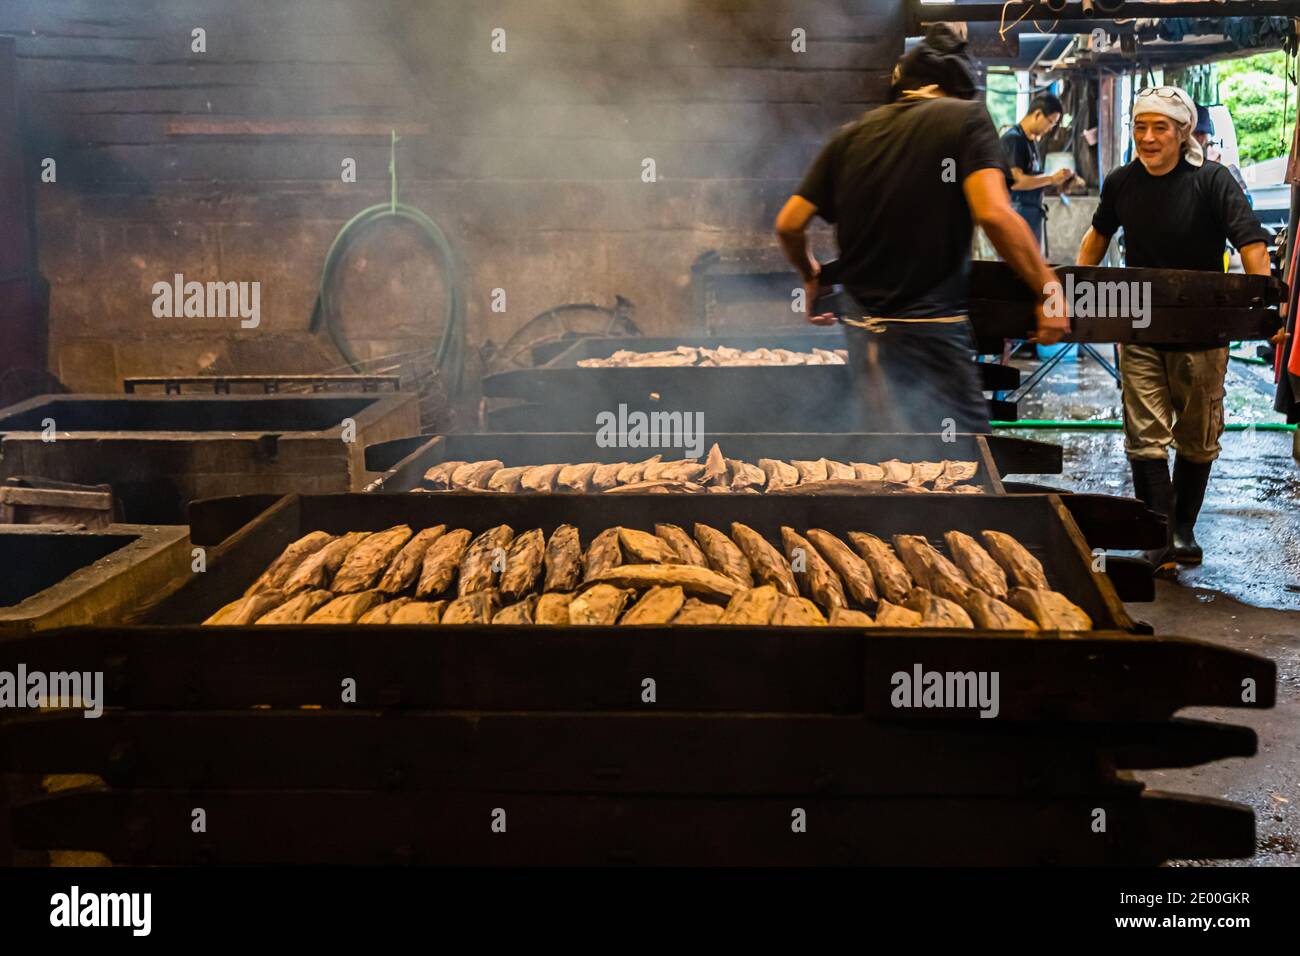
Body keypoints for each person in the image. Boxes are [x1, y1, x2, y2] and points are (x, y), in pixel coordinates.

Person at [774, 24, 1066, 434]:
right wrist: (1048, 289)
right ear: (956, 87)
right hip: (932, 334)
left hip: (862, 333)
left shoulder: (850, 136)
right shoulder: (965, 119)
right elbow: (995, 214)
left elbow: (789, 223)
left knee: (884, 458)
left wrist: (812, 276)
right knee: (963, 463)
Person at [1076, 86, 1271, 572]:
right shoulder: (1122, 182)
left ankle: (1182, 530)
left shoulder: (1213, 181)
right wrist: (1075, 295)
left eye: (1159, 127)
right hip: (1139, 327)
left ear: (1182, 132)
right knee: (1143, 434)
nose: (1147, 137)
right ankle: (1158, 537)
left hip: (1203, 332)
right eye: (1140, 127)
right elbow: (1096, 239)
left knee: (1197, 436)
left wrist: (1265, 309)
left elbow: (1251, 246)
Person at [1001, 93, 1074, 250]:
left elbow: (1032, 178)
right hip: (1017, 211)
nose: (1050, 129)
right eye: (1050, 123)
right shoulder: (1014, 140)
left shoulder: (1031, 142)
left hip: (1031, 213)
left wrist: (1059, 181)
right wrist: (1051, 179)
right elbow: (1016, 181)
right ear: (1038, 114)